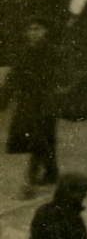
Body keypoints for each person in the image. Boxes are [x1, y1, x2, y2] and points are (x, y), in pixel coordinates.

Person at [3, 18, 60, 197]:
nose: (34, 33)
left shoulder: (53, 53)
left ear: (45, 31)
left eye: (38, 29)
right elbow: (12, 79)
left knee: (41, 138)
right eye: (30, 29)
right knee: (42, 138)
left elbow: (62, 76)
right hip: (27, 102)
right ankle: (51, 173)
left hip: (48, 101)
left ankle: (30, 180)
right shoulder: (23, 53)